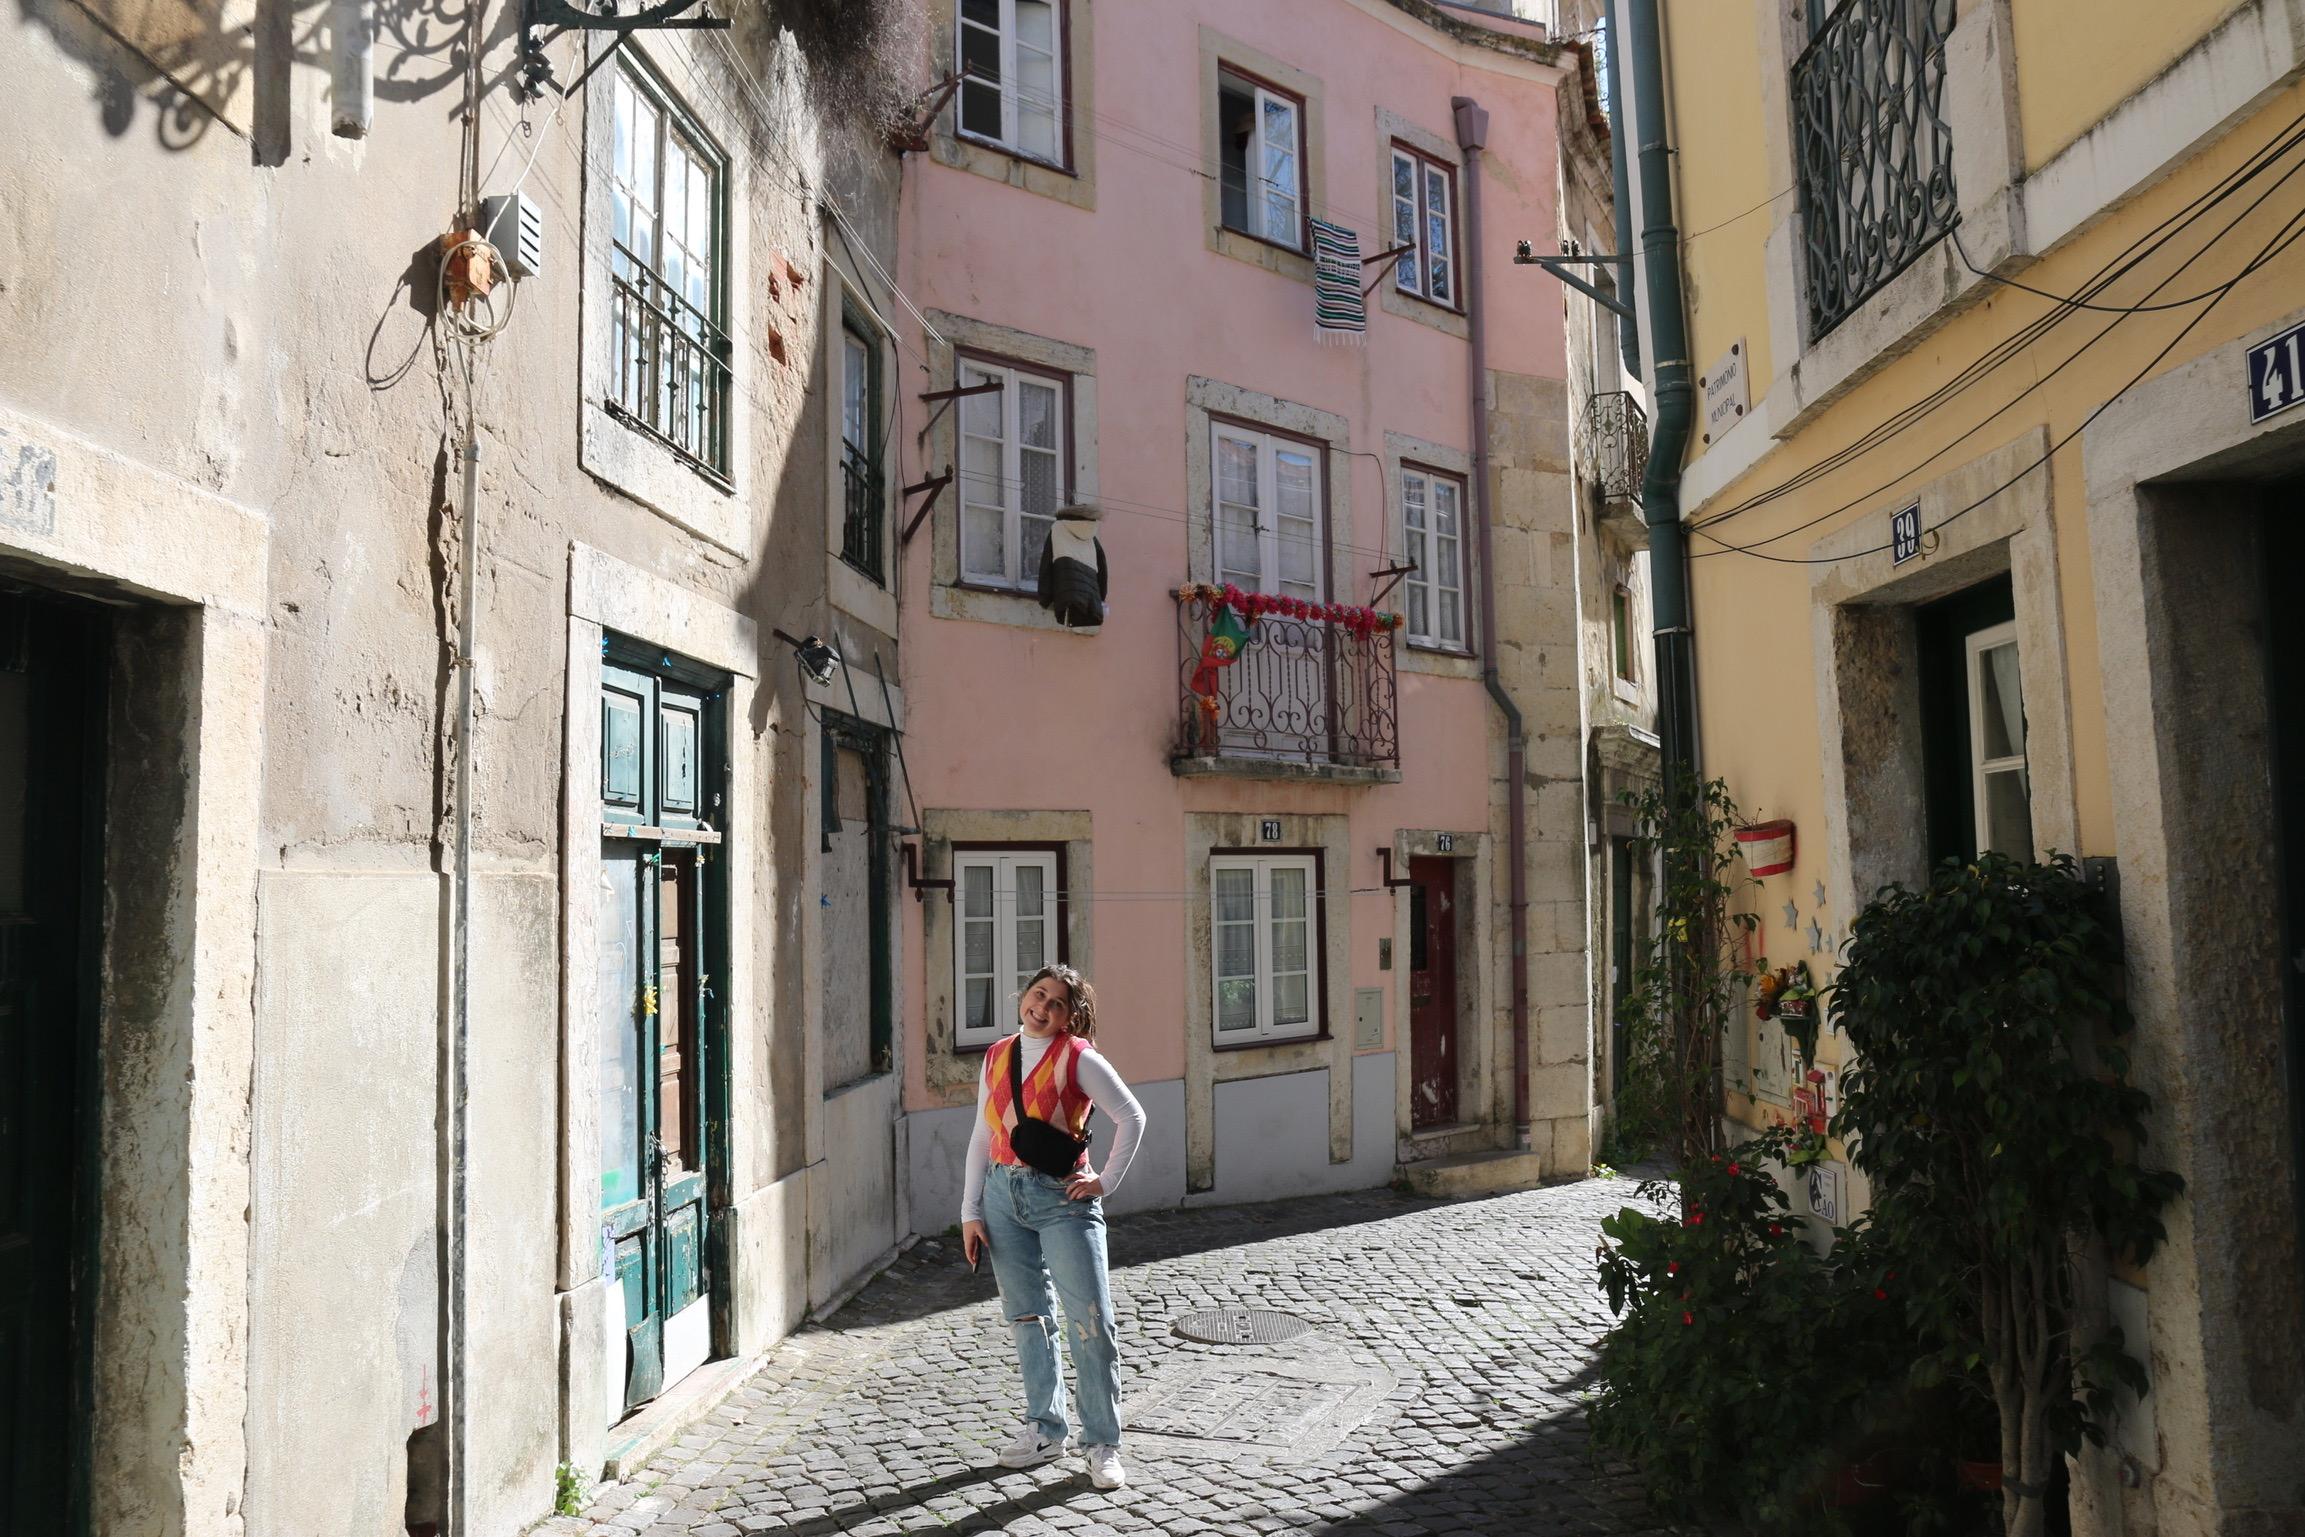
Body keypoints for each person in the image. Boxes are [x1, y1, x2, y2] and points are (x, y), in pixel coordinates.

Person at [961, 963, 1147, 1490]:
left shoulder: (1078, 1057)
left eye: (1056, 1003)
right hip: (1002, 1195)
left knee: (1090, 1321)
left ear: (1069, 1016)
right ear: (1024, 995)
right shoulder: (997, 1054)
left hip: (1062, 1200)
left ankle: (1102, 1443)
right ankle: (1044, 1431)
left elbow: (1132, 1116)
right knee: (1027, 1318)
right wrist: (970, 1211)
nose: (1042, 1007)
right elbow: (982, 1134)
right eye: (1038, 994)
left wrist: (1104, 1182)